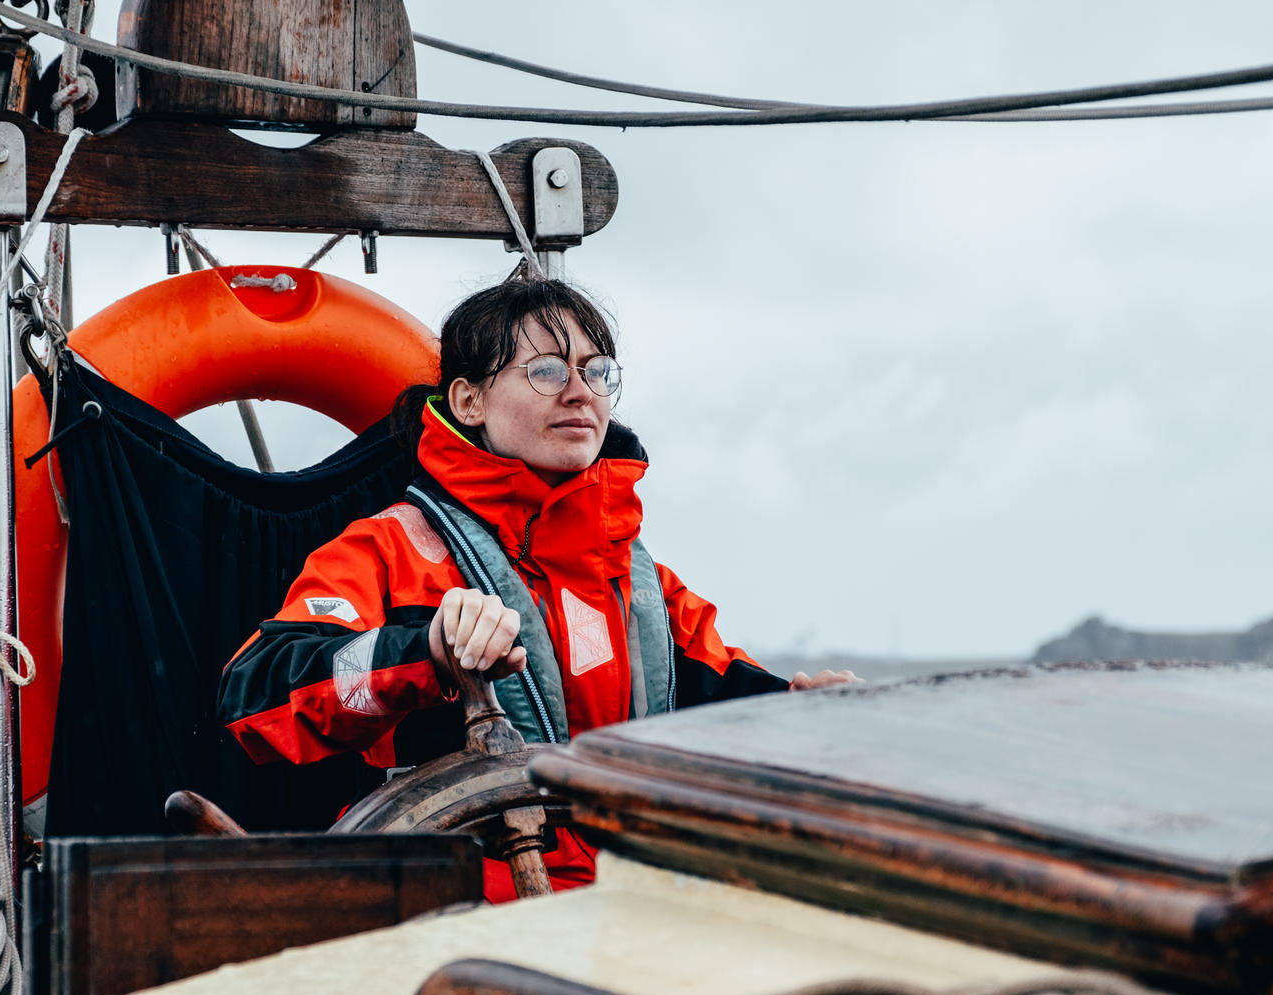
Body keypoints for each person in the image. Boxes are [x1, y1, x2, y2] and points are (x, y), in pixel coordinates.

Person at [218, 271, 856, 900]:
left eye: (597, 370)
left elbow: (725, 699)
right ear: (469, 402)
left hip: (627, 896)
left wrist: (799, 709)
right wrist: (425, 653)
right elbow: (256, 696)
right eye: (548, 369)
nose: (581, 392)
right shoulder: (387, 550)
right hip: (452, 900)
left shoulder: (643, 587)